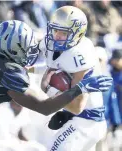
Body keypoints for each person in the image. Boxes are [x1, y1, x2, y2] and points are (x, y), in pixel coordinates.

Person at [0, 20, 113, 151]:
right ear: (13, 48)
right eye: (25, 47)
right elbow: (45, 107)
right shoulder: (7, 72)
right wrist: (80, 87)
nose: (29, 51)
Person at [40, 6, 112, 151]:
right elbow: (51, 66)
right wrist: (28, 69)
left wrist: (48, 90)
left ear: (77, 34)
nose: (58, 35)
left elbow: (77, 107)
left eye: (64, 32)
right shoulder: (63, 48)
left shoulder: (80, 56)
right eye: (55, 30)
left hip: (86, 122)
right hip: (80, 120)